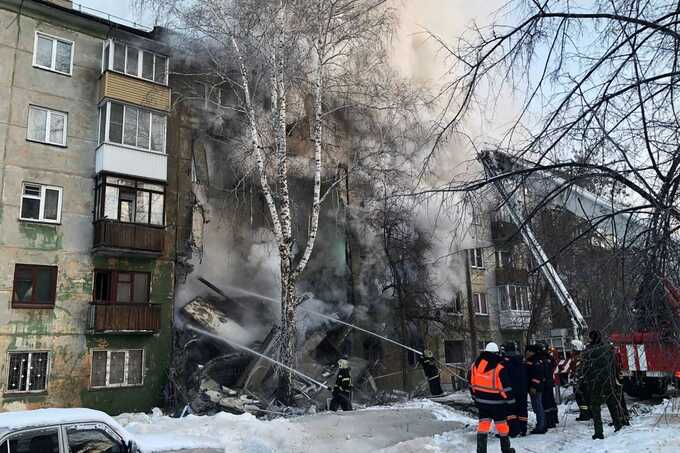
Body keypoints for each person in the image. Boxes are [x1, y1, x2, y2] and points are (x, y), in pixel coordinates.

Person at [469, 342, 516, 453]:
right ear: (497, 352)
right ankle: (506, 449)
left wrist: (475, 397)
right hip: (497, 404)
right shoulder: (499, 367)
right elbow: (505, 387)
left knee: (483, 427)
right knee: (502, 427)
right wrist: (511, 401)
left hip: (482, 403)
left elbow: (471, 383)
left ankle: (481, 450)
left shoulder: (475, 365)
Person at [579, 330, 622, 439]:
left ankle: (599, 432)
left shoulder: (589, 351)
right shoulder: (608, 348)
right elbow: (614, 364)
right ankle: (618, 425)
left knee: (595, 407)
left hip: (595, 383)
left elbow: (585, 367)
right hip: (608, 381)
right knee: (612, 404)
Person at [501, 342, 528, 437]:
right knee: (522, 410)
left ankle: (513, 430)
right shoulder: (521, 360)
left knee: (511, 411)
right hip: (522, 389)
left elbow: (503, 377)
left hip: (510, 390)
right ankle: (523, 429)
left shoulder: (504, 362)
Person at [526, 344, 547, 434]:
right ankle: (542, 424)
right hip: (533, 387)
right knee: (537, 406)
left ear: (532, 352)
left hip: (536, 388)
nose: (527, 353)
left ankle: (541, 426)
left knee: (538, 407)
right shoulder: (532, 360)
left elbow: (537, 375)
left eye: (528, 351)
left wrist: (533, 386)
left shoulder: (536, 361)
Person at [570, 339, 591, 421]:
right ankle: (589, 413)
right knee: (586, 398)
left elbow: (579, 371)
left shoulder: (579, 358)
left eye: (573, 348)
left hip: (581, 382)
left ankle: (585, 415)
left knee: (581, 398)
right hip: (583, 382)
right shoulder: (582, 356)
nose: (572, 350)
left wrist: (576, 381)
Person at [542, 346, 559, 428]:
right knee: (551, 401)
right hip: (550, 382)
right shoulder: (549, 358)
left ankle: (549, 421)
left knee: (547, 402)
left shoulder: (543, 359)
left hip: (545, 383)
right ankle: (554, 418)